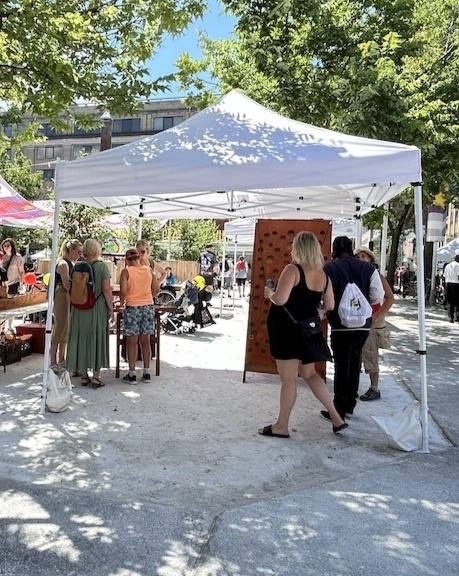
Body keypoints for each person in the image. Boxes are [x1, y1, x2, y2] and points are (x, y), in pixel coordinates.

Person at [259, 231, 348, 437]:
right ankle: (336, 417)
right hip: (309, 331)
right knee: (310, 374)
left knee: (289, 379)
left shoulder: (293, 269)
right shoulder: (323, 275)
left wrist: (269, 293)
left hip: (287, 330)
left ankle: (281, 426)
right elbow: (330, 305)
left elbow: (280, 300)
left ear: (298, 248)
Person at [321, 236, 384, 421]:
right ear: (351, 248)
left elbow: (325, 297)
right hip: (363, 325)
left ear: (334, 249)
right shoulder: (368, 268)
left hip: (340, 324)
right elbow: (377, 296)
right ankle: (350, 404)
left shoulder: (329, 268)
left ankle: (338, 408)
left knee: (341, 365)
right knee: (355, 361)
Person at [66, 239, 114, 388]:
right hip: (96, 307)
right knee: (96, 337)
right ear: (97, 250)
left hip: (79, 308)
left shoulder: (77, 267)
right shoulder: (102, 267)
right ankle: (96, 376)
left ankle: (84, 375)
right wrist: (111, 308)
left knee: (81, 338)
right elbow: (106, 289)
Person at [354, 247, 395, 401]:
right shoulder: (354, 275)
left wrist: (377, 316)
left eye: (363, 256)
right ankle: (354, 387)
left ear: (371, 259)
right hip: (358, 319)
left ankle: (374, 388)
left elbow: (390, 298)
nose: (360, 259)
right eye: (357, 257)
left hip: (372, 320)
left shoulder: (378, 276)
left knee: (370, 352)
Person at [119, 248, 160, 384]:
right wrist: (148, 297)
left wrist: (122, 301)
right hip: (148, 306)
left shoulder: (126, 271)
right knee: (145, 340)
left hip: (132, 307)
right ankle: (147, 372)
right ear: (139, 258)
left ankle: (132, 374)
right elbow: (156, 288)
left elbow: (123, 291)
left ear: (127, 260)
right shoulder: (148, 270)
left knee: (132, 341)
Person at [49, 239, 82, 371]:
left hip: (65, 296)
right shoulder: (63, 264)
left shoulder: (68, 263)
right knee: (59, 328)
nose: (80, 254)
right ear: (71, 250)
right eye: (78, 251)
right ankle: (53, 361)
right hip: (62, 295)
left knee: (65, 329)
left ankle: (61, 359)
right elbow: (67, 285)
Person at [1, 238, 25, 333]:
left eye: (8, 245)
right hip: (3, 285)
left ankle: (10, 325)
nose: (6, 247)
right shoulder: (1, 257)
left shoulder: (17, 257)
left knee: (11, 306)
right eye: (4, 246)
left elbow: (21, 271)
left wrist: (22, 284)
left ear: (12, 246)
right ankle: (2, 327)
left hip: (13, 283)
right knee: (3, 306)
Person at [443, 250, 459, 322]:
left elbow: (444, 276)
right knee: (457, 301)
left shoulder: (448, 266)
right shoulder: (458, 266)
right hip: (456, 284)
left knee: (450, 301)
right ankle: (457, 317)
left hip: (448, 284)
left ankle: (450, 317)